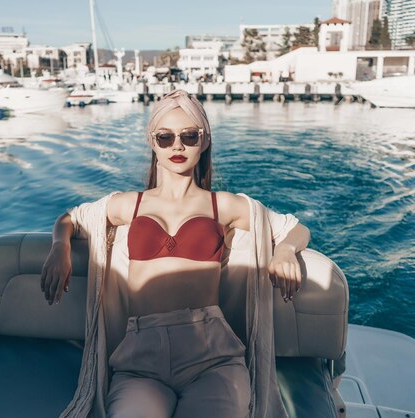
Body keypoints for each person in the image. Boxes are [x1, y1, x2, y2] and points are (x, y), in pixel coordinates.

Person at [40, 89, 310, 418]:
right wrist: (60, 247)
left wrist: (284, 251)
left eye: (189, 136)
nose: (177, 146)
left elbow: (294, 228)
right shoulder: (130, 204)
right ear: (152, 142)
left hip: (212, 357)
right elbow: (70, 218)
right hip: (140, 360)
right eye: (165, 137)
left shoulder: (223, 205)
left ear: (205, 140)